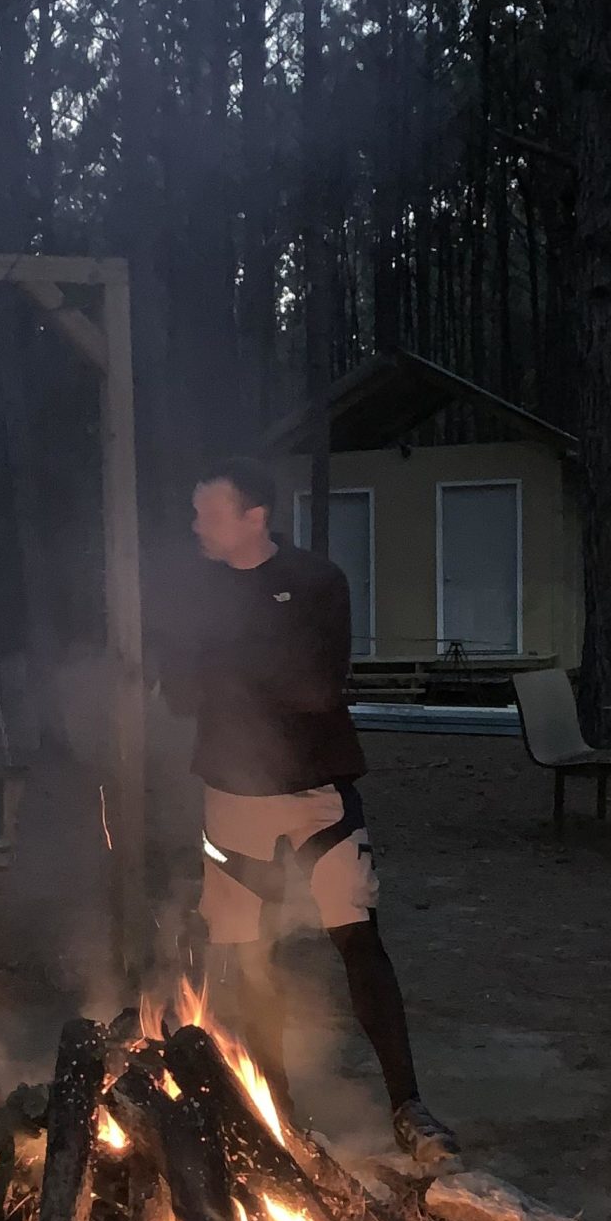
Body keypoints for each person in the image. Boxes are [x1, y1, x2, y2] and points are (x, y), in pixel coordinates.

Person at [163, 454, 458, 1168]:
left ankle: (408, 1106)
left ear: (254, 516)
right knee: (247, 954)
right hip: (232, 797)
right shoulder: (194, 591)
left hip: (317, 795)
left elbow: (318, 689)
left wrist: (226, 668)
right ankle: (279, 1111)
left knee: (357, 937)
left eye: (210, 512)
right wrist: (239, 670)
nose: (196, 525)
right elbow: (178, 693)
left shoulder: (316, 581)